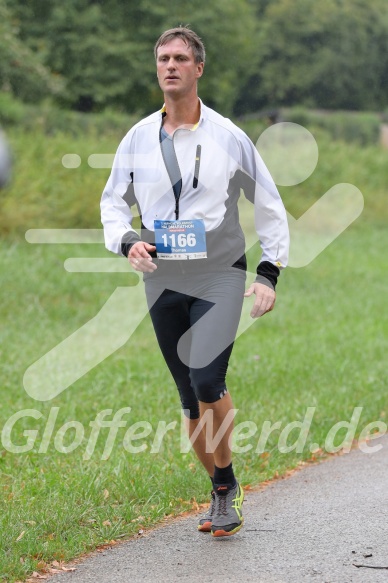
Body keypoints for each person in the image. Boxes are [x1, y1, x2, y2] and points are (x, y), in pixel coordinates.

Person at [101, 26, 289, 537]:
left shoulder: (228, 135)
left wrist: (269, 272)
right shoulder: (138, 137)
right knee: (188, 396)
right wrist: (126, 241)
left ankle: (225, 491)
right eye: (163, 57)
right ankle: (221, 487)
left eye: (181, 57)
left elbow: (268, 202)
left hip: (219, 272)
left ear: (198, 68)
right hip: (163, 278)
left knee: (208, 379)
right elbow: (112, 200)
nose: (170, 65)